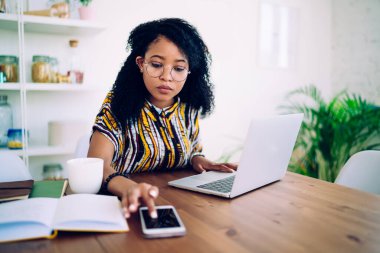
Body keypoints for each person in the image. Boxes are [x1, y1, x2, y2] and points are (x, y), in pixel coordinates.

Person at [88, 18, 237, 219]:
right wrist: (129, 188)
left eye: (178, 68)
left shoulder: (187, 106)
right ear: (141, 64)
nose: (167, 77)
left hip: (178, 204)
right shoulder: (118, 103)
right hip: (124, 205)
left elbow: (191, 149)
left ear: (189, 71)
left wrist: (198, 159)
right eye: (157, 65)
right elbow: (97, 163)